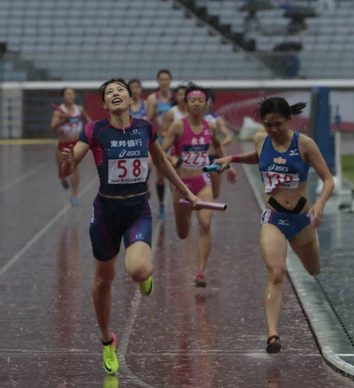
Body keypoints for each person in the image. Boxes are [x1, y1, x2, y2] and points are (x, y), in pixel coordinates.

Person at [61, 78, 199, 375]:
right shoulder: (94, 130)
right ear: (105, 103)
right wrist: (63, 164)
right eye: (109, 92)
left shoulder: (145, 128)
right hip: (106, 213)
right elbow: (69, 166)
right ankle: (107, 340)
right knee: (103, 279)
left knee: (137, 269)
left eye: (119, 89)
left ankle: (143, 271)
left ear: (129, 96)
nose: (115, 94)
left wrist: (185, 191)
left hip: (138, 210)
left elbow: (161, 162)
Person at [215, 97, 334, 353]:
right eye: (268, 125)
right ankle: (272, 335)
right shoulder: (261, 139)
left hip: (302, 220)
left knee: (313, 269)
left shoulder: (304, 144)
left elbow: (328, 179)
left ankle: (310, 245)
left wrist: (320, 205)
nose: (273, 130)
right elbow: (258, 157)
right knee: (276, 272)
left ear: (288, 119)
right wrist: (233, 158)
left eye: (278, 124)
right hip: (273, 218)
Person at [161, 85, 236, 288]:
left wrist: (226, 165)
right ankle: (184, 220)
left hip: (203, 182)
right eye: (192, 101)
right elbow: (160, 152)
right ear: (186, 103)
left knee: (204, 224)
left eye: (200, 101)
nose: (196, 104)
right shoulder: (178, 126)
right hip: (182, 185)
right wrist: (173, 159)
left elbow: (219, 145)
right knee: (183, 233)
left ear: (206, 104)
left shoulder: (210, 127)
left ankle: (201, 271)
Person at [50, 87, 91, 205]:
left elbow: (88, 120)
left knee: (74, 167)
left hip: (75, 143)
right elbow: (52, 127)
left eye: (72, 94)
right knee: (62, 169)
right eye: (68, 94)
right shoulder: (58, 112)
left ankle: (74, 194)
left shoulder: (79, 109)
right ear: (63, 97)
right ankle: (61, 177)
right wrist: (62, 120)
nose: (70, 96)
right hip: (63, 144)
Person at [146, 69, 174, 219]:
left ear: (170, 81)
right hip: (158, 140)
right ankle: (162, 204)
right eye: (162, 79)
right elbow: (148, 120)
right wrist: (155, 113)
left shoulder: (174, 99)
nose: (164, 82)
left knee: (175, 172)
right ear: (158, 81)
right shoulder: (152, 99)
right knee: (160, 175)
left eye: (167, 79)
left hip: (173, 141)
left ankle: (178, 201)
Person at [204, 90, 233, 199]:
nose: (205, 103)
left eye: (208, 101)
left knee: (215, 193)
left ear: (212, 103)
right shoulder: (190, 120)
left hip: (213, 158)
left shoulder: (216, 119)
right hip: (197, 159)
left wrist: (218, 144)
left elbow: (228, 137)